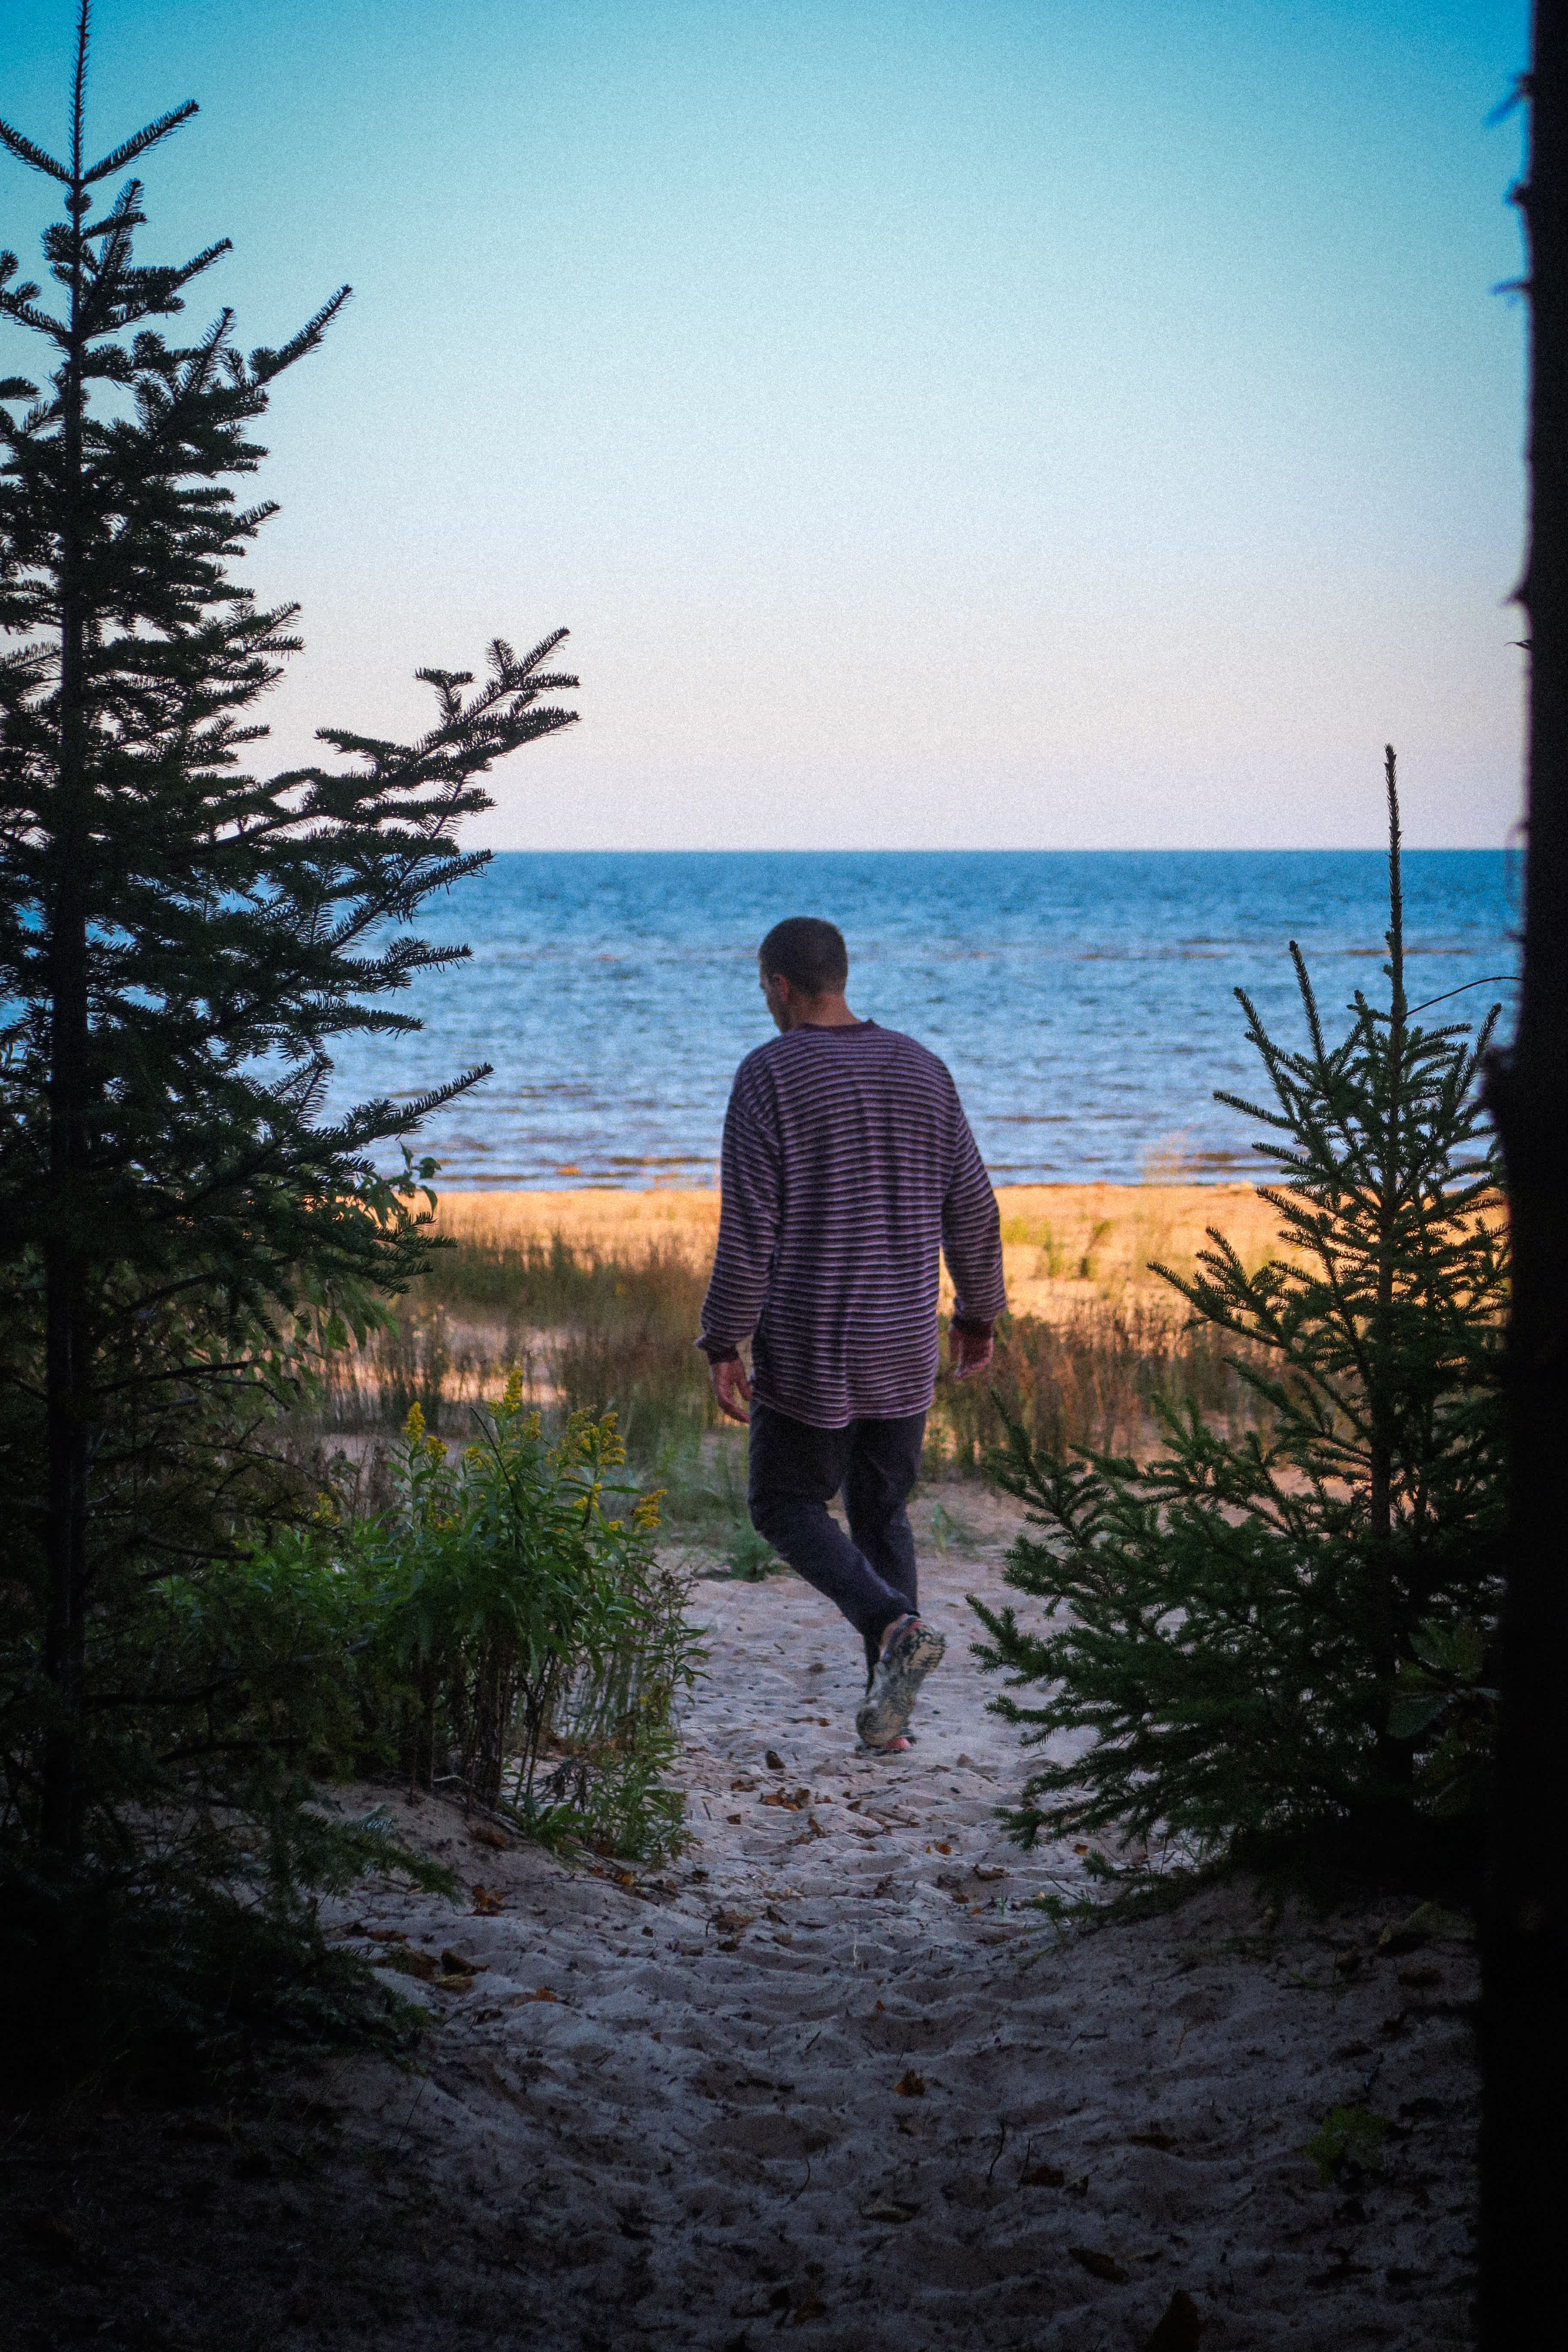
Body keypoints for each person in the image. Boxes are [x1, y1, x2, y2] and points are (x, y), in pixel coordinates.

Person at [697, 916, 1006, 1753]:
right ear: (841, 976)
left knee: (783, 1504)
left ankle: (891, 1626)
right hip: (903, 1342)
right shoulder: (923, 1068)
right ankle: (892, 1719)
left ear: (780, 986)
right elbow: (973, 1208)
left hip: (814, 1344)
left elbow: (750, 1230)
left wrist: (724, 1341)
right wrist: (977, 1315)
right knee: (881, 1514)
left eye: (765, 987)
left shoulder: (768, 1075)